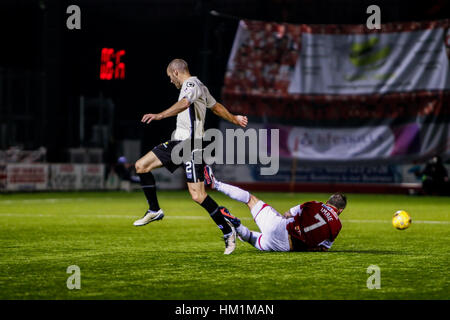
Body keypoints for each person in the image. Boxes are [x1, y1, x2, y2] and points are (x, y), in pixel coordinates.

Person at [133, 59, 248, 255]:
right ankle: (154, 210)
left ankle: (228, 230)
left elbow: (184, 103)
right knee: (141, 166)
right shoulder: (200, 86)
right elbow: (216, 107)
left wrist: (160, 116)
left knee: (198, 195)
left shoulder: (191, 84)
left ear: (176, 73)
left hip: (192, 146)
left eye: (170, 77)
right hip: (179, 143)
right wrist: (234, 118)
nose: (171, 81)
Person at [204, 166, 346, 252]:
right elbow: (323, 249)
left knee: (250, 199)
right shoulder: (337, 226)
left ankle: (216, 184)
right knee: (252, 239)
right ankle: (238, 226)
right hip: (286, 247)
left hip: (281, 227)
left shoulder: (314, 204)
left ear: (328, 201)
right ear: (340, 211)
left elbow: (288, 213)